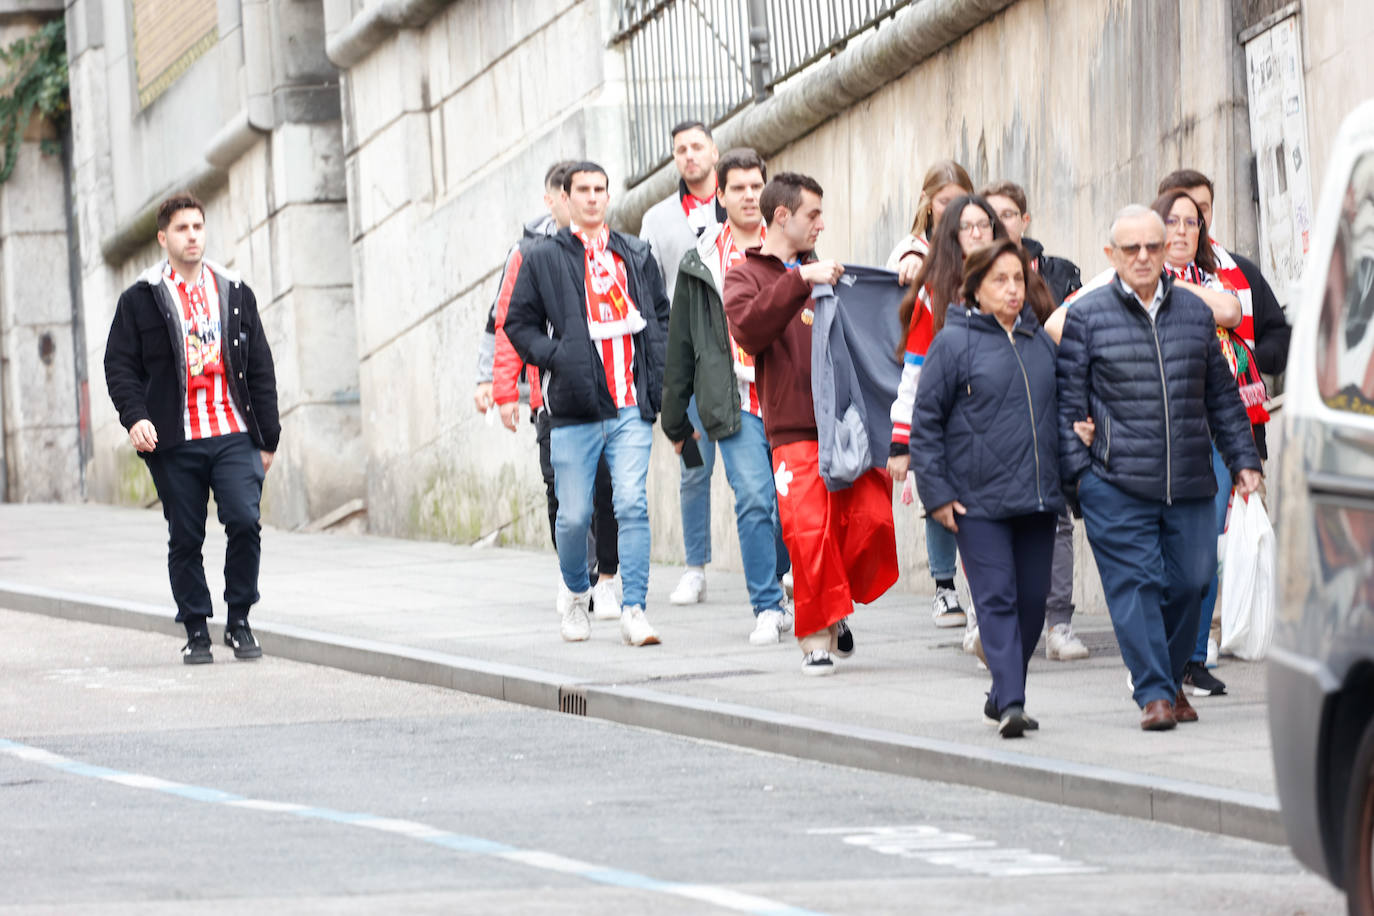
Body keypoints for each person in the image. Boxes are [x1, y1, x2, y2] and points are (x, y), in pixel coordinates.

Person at [1057, 204, 1263, 731]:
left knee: (1192, 582)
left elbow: (1221, 397)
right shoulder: (1087, 316)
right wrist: (1082, 481)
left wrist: (1243, 460)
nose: (1145, 256)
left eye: (1153, 246)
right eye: (1132, 249)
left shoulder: (1194, 314)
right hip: (1116, 480)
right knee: (1136, 585)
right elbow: (1067, 407)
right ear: (1112, 256)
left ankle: (1170, 680)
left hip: (1190, 476)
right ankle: (1153, 693)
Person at [724, 172, 899, 675]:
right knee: (807, 532)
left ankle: (835, 602)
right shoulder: (746, 275)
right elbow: (750, 330)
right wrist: (799, 280)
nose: (821, 224)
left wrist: (901, 283)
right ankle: (814, 636)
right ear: (782, 216)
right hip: (792, 428)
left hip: (847, 424)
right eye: (813, 215)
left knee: (869, 520)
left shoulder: (825, 269)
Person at [911, 239, 1085, 736]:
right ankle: (1012, 701)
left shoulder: (1040, 343)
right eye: (1000, 281)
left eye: (1018, 279)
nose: (1013, 290)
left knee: (1033, 604)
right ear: (976, 289)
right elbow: (926, 424)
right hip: (977, 501)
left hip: (1037, 498)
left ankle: (999, 691)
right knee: (996, 600)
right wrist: (938, 494)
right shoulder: (953, 342)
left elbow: (1066, 410)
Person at [103, 192, 280, 664]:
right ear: (164, 238)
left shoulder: (233, 290)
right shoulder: (141, 299)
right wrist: (136, 417)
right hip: (175, 438)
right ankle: (197, 628)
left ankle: (239, 620)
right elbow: (119, 365)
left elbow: (260, 365)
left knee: (244, 520)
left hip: (231, 430)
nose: (193, 235)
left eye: (198, 227)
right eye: (182, 229)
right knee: (186, 534)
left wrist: (268, 437)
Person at [503, 162, 671, 647]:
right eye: (584, 190)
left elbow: (659, 315)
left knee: (631, 505)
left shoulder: (635, 253)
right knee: (574, 515)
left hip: (629, 406)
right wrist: (558, 356)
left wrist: (654, 378)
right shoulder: (542, 257)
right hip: (574, 408)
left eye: (601, 189)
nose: (594, 198)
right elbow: (517, 323)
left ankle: (635, 609)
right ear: (566, 196)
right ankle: (578, 596)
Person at [661, 148, 792, 645]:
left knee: (786, 503)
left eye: (756, 186)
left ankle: (790, 579)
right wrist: (674, 417)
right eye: (737, 188)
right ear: (720, 195)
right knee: (755, 498)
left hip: (786, 396)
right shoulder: (702, 261)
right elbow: (682, 344)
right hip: (733, 401)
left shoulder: (789, 252)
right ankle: (766, 605)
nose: (748, 196)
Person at [486, 161, 622, 622]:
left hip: (610, 395)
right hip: (552, 398)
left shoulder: (612, 249)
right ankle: (576, 578)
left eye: (591, 191)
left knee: (609, 489)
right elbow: (507, 324)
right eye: (571, 193)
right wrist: (504, 390)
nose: (581, 201)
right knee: (562, 493)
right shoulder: (529, 253)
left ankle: (608, 576)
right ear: (555, 199)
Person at [1151, 188, 1272, 697]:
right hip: (1159, 434)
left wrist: (1179, 290)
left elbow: (1229, 310)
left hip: (1216, 429)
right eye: (1173, 222)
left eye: (1191, 223)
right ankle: (1159, 657)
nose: (1182, 231)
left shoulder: (1214, 279)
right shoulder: (1133, 280)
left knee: (1208, 551)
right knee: (1162, 552)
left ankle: (1195, 657)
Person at [889, 194, 1010, 654]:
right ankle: (985, 625)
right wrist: (902, 441)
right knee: (977, 529)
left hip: (1012, 424)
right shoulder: (934, 291)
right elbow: (914, 371)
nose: (978, 233)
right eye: (968, 226)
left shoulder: (1017, 280)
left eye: (985, 225)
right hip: (958, 428)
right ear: (952, 236)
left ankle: (994, 619)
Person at [980, 179, 1089, 662]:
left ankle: (1058, 623)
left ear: (1024, 220)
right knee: (990, 522)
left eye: (1008, 214)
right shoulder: (970, 276)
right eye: (990, 215)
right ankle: (993, 622)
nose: (1000, 222)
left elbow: (1078, 340)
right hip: (992, 419)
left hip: (1048, 410)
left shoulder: (1059, 273)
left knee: (1055, 521)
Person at [885, 164, 979, 631]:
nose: (954, 212)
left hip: (987, 405)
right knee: (940, 494)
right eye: (944, 201)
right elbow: (915, 366)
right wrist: (902, 439)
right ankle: (945, 587)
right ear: (928, 202)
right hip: (940, 404)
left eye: (961, 201)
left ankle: (983, 592)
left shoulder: (994, 264)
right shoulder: (924, 267)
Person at [640, 120, 725, 606]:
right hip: (687, 369)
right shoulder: (657, 219)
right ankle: (695, 567)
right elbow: (651, 295)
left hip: (738, 362)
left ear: (714, 151)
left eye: (697, 146)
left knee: (756, 469)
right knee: (693, 466)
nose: (689, 156)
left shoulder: (737, 204)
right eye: (680, 150)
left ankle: (780, 568)